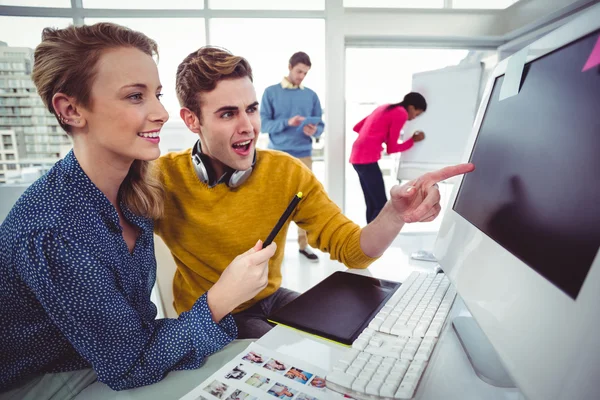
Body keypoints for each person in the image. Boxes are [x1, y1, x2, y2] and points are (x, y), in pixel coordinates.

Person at [0, 24, 276, 398]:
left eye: (157, 94)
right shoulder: (54, 230)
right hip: (44, 379)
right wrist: (222, 298)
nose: (161, 113)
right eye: (135, 96)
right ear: (71, 110)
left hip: (111, 358)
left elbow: (133, 338)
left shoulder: (135, 190)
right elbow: (130, 365)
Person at [154, 46, 474, 340]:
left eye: (250, 109)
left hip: (270, 297)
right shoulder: (162, 178)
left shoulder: (286, 171)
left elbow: (353, 251)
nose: (248, 126)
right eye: (227, 114)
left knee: (352, 333)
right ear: (192, 120)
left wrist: (395, 213)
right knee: (287, 348)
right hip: (214, 316)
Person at [260, 51, 324, 262]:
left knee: (304, 201)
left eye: (305, 73)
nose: (301, 76)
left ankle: (304, 246)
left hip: (303, 155)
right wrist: (288, 122)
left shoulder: (311, 95)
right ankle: (271, 251)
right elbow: (264, 125)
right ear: (289, 67)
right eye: (299, 71)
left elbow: (320, 126)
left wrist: (313, 131)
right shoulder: (271, 92)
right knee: (275, 203)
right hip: (276, 155)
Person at [350, 92, 428, 223]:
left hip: (357, 157)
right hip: (367, 158)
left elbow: (357, 127)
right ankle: (375, 239)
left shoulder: (385, 107)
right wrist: (412, 140)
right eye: (417, 113)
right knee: (380, 204)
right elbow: (392, 149)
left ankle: (369, 239)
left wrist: (379, 136)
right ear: (411, 107)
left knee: (372, 202)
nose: (414, 118)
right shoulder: (401, 113)